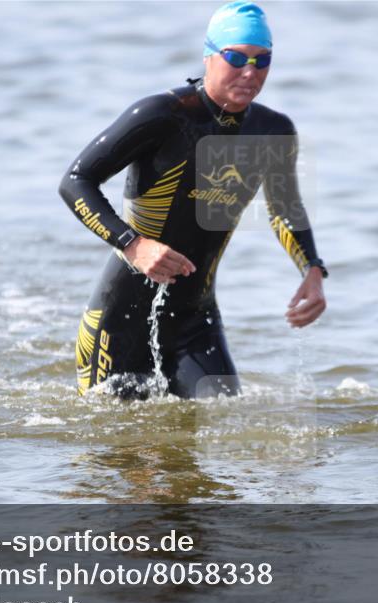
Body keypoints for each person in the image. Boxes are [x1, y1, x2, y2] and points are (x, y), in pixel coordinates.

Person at [60, 1, 327, 399]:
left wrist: (312, 270)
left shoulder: (272, 131)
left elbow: (284, 207)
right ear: (209, 56)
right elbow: (76, 181)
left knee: (223, 433)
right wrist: (133, 245)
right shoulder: (163, 115)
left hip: (195, 320)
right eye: (236, 57)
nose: (250, 72)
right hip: (121, 320)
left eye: (262, 60)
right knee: (120, 453)